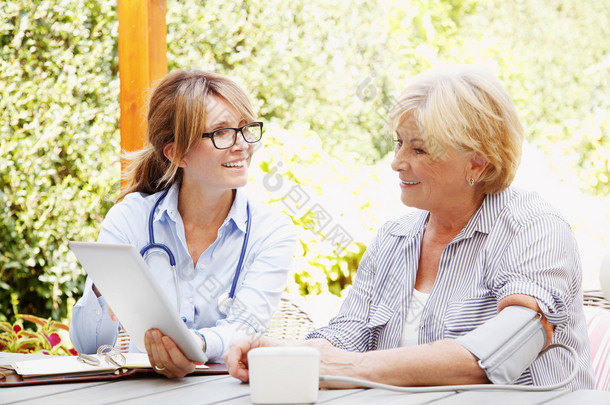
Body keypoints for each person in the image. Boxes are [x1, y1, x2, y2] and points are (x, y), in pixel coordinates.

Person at [225, 66, 595, 390]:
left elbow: (503, 349)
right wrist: (286, 355)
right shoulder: (394, 237)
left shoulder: (534, 227)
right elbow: (345, 335)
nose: (397, 162)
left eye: (419, 150)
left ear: (477, 163)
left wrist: (353, 368)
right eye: (399, 143)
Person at [70, 69, 297, 378]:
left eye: (245, 128)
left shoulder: (272, 232)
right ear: (176, 153)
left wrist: (196, 344)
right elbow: (88, 346)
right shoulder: (129, 219)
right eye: (222, 133)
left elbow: (246, 328)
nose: (242, 144)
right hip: (143, 393)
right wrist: (103, 286)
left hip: (228, 393)